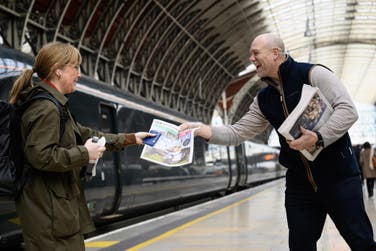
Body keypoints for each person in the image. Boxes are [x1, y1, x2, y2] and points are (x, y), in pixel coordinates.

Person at [180, 33, 376, 250]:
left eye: (255, 53)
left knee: (361, 242)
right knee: (300, 246)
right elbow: (237, 132)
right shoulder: (264, 100)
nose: (251, 59)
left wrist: (319, 138)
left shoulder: (313, 74)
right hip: (299, 185)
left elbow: (348, 111)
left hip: (338, 178)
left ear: (275, 53)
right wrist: (202, 130)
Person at [9, 42, 154, 251]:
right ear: (58, 70)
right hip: (50, 215)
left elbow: (89, 135)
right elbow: (41, 156)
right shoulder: (46, 108)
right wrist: (85, 153)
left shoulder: (56, 106)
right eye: (75, 67)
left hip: (56, 212)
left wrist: (132, 138)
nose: (79, 74)